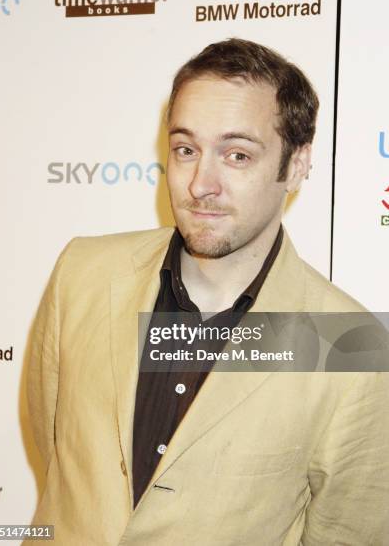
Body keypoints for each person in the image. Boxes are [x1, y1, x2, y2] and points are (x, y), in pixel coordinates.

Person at [26, 39, 389, 545]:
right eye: (186, 150)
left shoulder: (350, 347)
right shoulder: (82, 273)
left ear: (298, 164)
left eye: (237, 155)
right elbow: (58, 455)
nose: (201, 184)